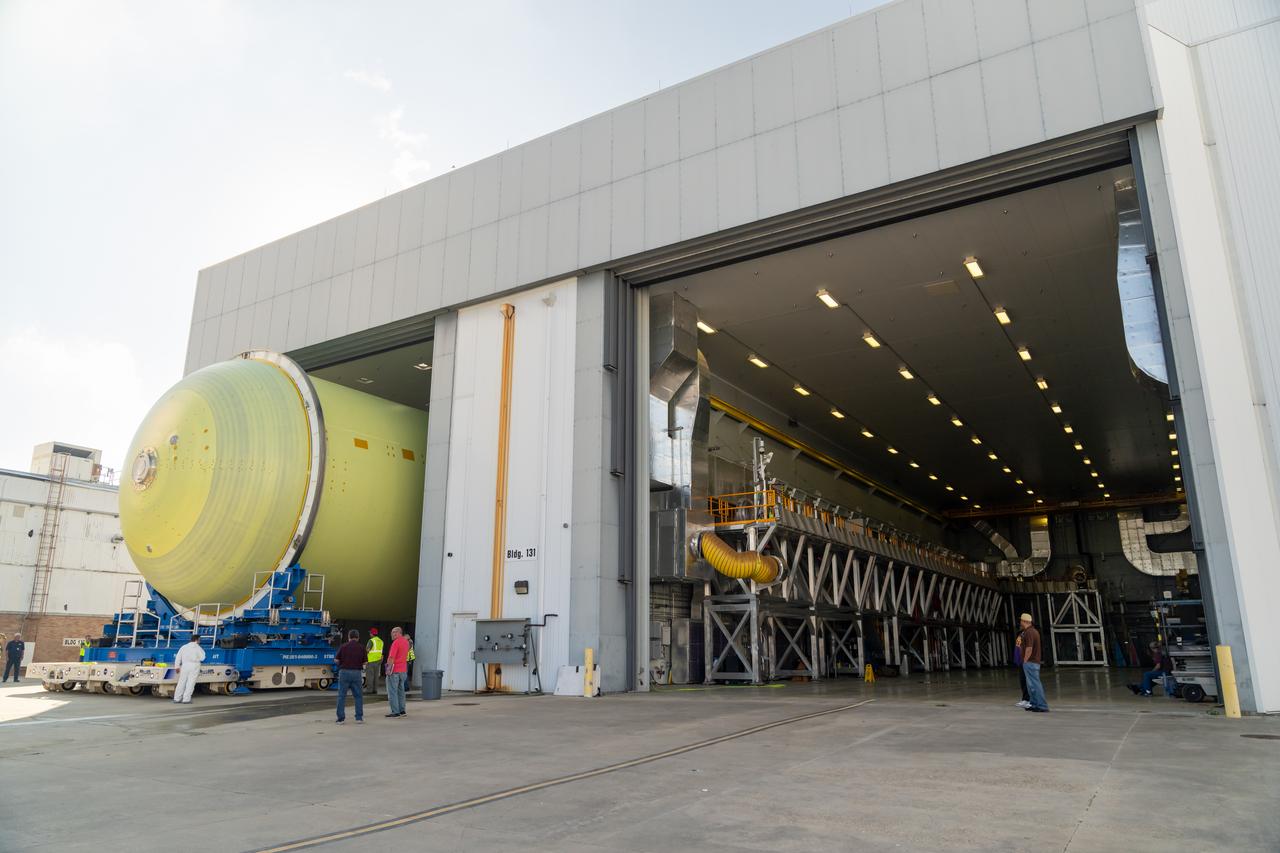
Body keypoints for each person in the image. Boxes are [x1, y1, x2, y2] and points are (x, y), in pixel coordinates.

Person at [334, 629, 367, 724]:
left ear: (349, 637)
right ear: (358, 637)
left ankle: (340, 719)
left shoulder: (343, 646)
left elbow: (336, 660)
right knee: (358, 696)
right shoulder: (361, 647)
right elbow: (365, 662)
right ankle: (359, 718)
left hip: (344, 672)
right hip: (356, 673)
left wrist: (341, 663)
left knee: (341, 696)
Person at [1019, 613, 1049, 713]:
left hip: (1031, 662)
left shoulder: (1029, 632)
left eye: (1021, 621)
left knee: (1035, 684)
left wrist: (1025, 660)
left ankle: (1042, 705)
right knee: (1031, 685)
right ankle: (1034, 703)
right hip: (1032, 662)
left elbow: (1029, 648)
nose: (1020, 622)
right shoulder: (1032, 631)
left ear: (1025, 621)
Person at [172, 635, 206, 704]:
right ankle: (186, 699)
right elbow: (203, 658)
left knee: (181, 682)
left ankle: (177, 698)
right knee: (190, 683)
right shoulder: (198, 648)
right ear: (197, 640)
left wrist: (177, 667)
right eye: (199, 640)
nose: (200, 641)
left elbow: (178, 657)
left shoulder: (184, 647)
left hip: (185, 665)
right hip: (194, 666)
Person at [385, 626, 409, 718]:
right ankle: (402, 710)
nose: (392, 634)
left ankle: (395, 712)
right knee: (401, 691)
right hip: (403, 670)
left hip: (394, 670)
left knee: (392, 691)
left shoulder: (396, 642)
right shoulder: (406, 642)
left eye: (394, 632)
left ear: (399, 633)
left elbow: (391, 657)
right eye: (392, 632)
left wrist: (388, 670)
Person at [364, 627, 384, 695]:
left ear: (372, 634)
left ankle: (369, 690)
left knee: (370, 676)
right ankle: (375, 689)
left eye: (370, 633)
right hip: (378, 660)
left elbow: (367, 650)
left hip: (371, 660)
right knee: (376, 676)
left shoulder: (371, 640)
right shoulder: (381, 641)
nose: (369, 634)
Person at [1014, 632, 1031, 709]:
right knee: (1023, 680)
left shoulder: (1030, 633)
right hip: (1021, 661)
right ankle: (1025, 699)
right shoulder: (1021, 634)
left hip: (1027, 661)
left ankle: (1031, 700)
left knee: (1029, 681)